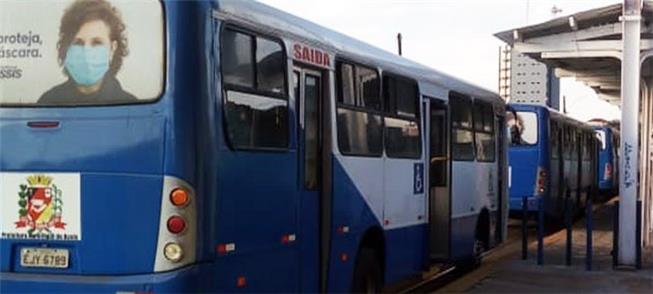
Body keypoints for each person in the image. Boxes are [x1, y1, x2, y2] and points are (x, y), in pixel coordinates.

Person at [39, 0, 136, 105]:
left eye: (97, 42)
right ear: (66, 47)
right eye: (78, 43)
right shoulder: (48, 102)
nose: (86, 52)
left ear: (112, 49)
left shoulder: (131, 104)